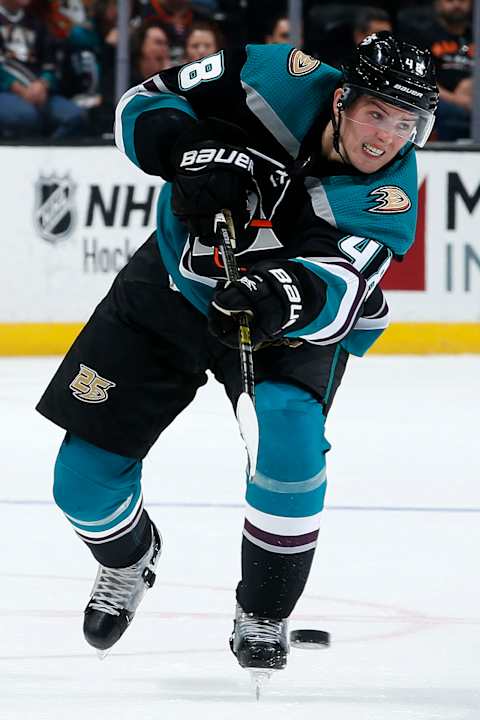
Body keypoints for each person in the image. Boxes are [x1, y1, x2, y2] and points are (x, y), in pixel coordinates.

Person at [37, 32, 438, 676]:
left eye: (404, 122)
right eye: (375, 113)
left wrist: (270, 294)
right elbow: (140, 104)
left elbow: (338, 291)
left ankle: (263, 610)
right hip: (172, 283)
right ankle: (127, 560)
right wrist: (188, 149)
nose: (384, 138)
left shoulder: (386, 199)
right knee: (80, 484)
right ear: (341, 99)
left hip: (281, 323)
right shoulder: (272, 74)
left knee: (290, 447)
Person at [0, 0, 87, 138]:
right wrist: (19, 89)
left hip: (39, 92)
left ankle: (51, 156)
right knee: (27, 116)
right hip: (6, 93)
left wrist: (43, 84)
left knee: (74, 115)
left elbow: (50, 64)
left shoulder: (37, 23)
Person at [403, 0, 473, 140]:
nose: (457, 5)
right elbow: (418, 78)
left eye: (462, 0)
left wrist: (473, 83)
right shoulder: (421, 35)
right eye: (450, 0)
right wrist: (456, 99)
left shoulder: (475, 34)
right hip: (439, 99)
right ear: (437, 3)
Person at [131, 17, 172, 83]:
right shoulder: (125, 76)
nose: (165, 49)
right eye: (158, 43)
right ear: (142, 46)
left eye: (166, 44)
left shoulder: (171, 80)